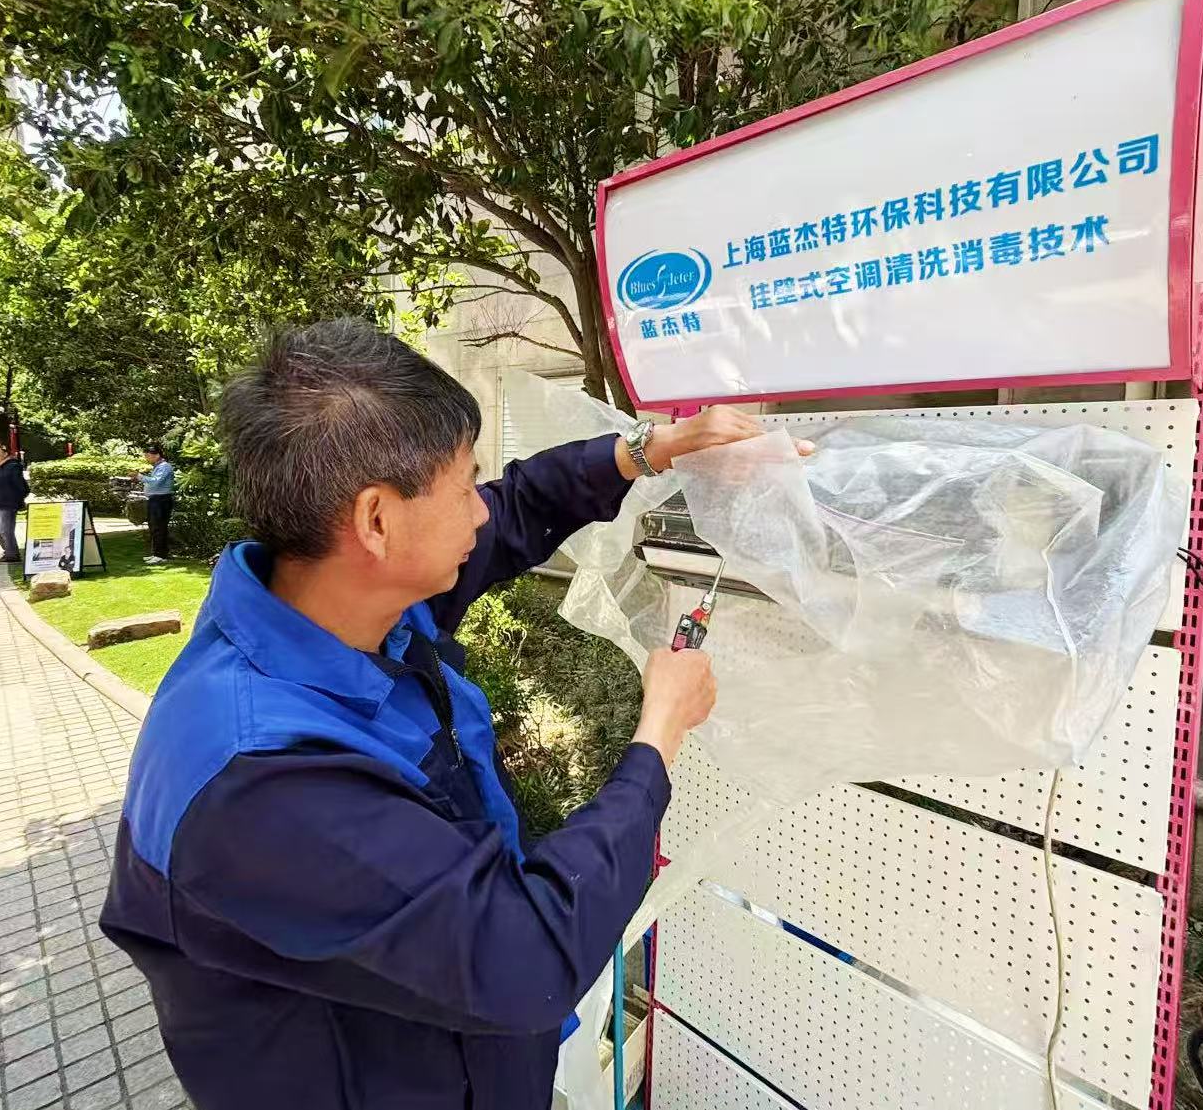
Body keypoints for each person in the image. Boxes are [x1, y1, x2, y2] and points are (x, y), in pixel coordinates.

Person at [99, 318, 810, 1109]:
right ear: (376, 520)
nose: (480, 511)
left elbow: (512, 515)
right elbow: (526, 957)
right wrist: (659, 734)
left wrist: (654, 449)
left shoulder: (343, 602)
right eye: (464, 485)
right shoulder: (262, 782)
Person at [0, 443, 29, 565]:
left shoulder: (12, 466)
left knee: (5, 531)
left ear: (5, 454)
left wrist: (17, 501)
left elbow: (22, 487)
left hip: (7, 505)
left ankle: (12, 555)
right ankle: (10, 551)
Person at [136, 443, 175, 564]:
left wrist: (139, 476)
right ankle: (157, 553)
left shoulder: (164, 466)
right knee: (154, 526)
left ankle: (160, 555)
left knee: (159, 527)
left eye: (148, 456)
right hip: (156, 499)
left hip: (161, 500)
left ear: (157, 455)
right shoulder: (158, 467)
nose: (147, 458)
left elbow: (155, 482)